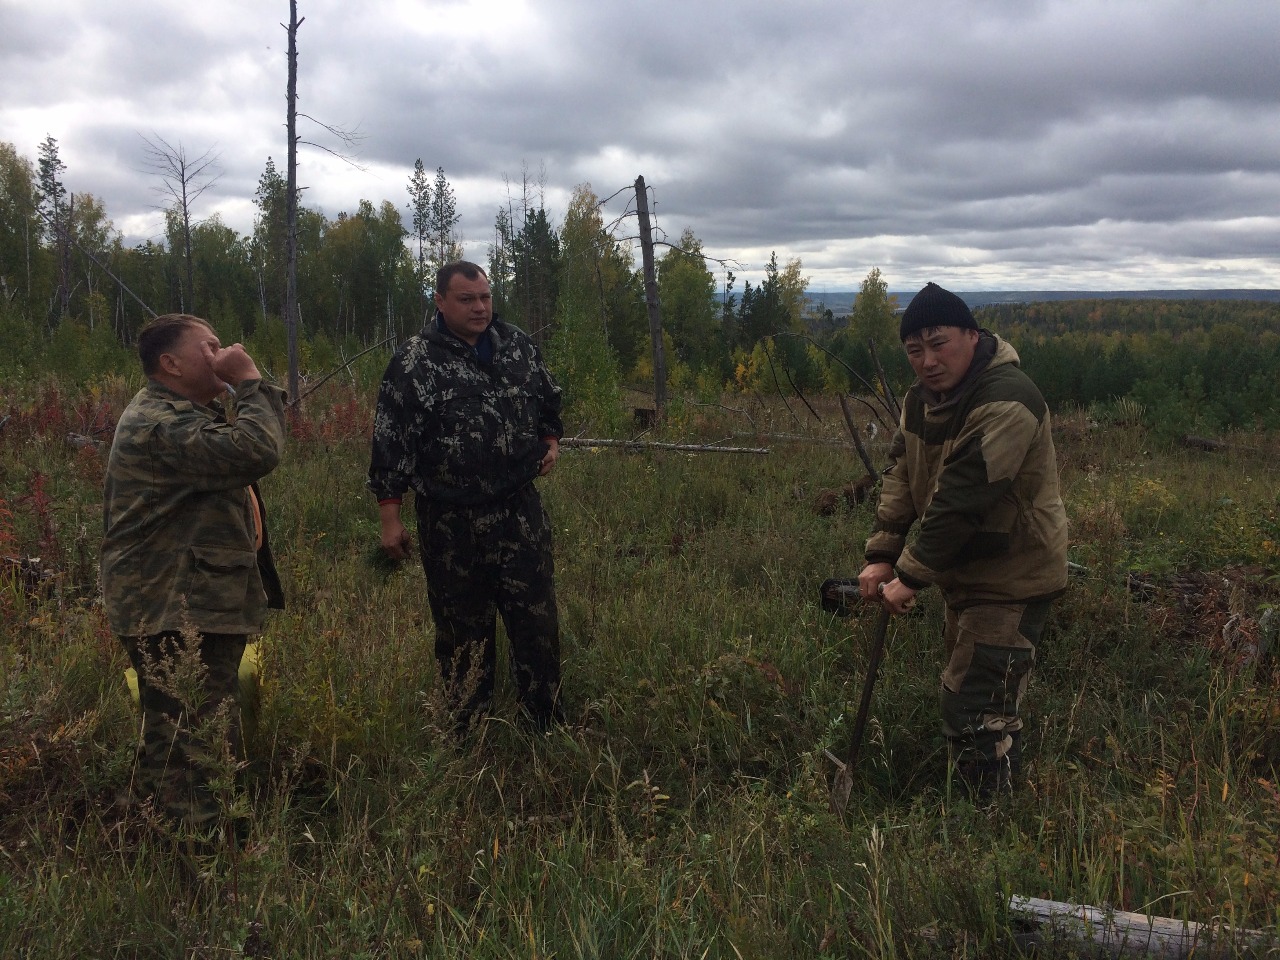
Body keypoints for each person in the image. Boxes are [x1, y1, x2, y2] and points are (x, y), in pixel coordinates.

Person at [857, 282, 1068, 800]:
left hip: (1010, 576)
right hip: (968, 571)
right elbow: (902, 473)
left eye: (939, 342)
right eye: (914, 349)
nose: (927, 360)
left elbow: (963, 499)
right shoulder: (922, 400)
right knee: (981, 692)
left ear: (973, 336)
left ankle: (990, 828)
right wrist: (883, 553)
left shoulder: (1008, 400)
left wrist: (909, 575)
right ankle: (999, 802)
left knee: (973, 703)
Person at [101, 314, 286, 834]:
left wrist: (246, 391)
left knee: (175, 725)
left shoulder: (183, 413)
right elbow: (258, 449)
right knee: (196, 733)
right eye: (209, 347)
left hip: (182, 598)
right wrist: (248, 380)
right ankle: (203, 860)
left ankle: (146, 831)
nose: (223, 351)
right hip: (173, 604)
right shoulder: (161, 423)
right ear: (171, 363)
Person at [369, 261, 564, 733]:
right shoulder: (415, 362)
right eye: (466, 299)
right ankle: (467, 733)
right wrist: (390, 516)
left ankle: (544, 723)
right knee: (461, 632)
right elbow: (391, 440)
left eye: (485, 297)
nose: (480, 308)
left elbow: (547, 397)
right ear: (439, 301)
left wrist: (551, 439)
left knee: (535, 621)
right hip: (451, 520)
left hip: (519, 511)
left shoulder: (515, 344)